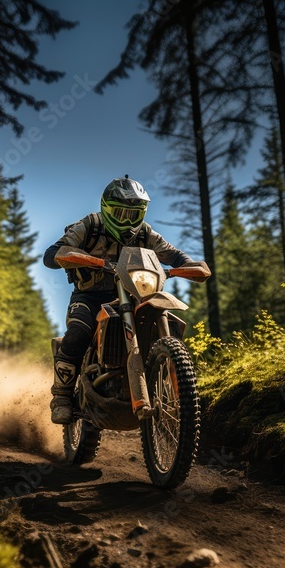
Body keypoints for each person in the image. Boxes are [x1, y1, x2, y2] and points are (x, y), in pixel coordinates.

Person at [43, 175, 196, 425]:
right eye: (120, 213)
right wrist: (80, 257)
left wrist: (188, 265)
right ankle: (62, 396)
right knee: (78, 333)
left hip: (135, 293)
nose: (127, 221)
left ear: (142, 214)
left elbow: (172, 253)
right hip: (90, 296)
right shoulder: (90, 225)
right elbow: (52, 254)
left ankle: (181, 391)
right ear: (106, 208)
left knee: (170, 320)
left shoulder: (146, 232)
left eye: (133, 215)